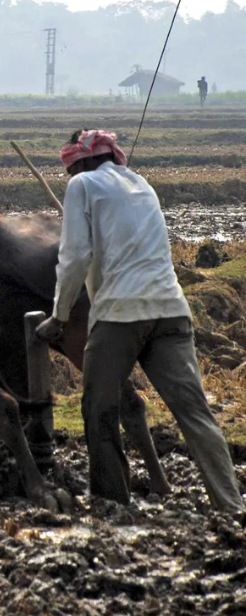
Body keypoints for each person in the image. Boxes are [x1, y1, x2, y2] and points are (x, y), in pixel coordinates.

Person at [36, 129, 243, 513]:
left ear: (79, 161)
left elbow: (76, 256)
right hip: (171, 309)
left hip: (119, 314)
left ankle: (111, 502)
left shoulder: (82, 184)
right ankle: (230, 505)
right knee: (195, 412)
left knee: (99, 407)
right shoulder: (143, 184)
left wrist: (59, 316)